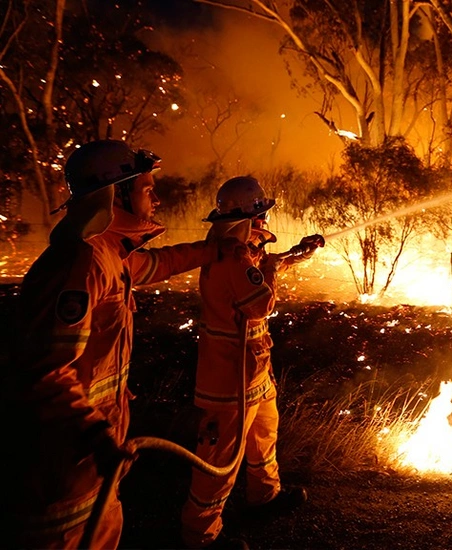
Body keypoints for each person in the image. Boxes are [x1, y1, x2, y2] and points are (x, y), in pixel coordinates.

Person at [5, 139, 234, 549]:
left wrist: (216, 249)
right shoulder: (82, 263)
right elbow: (43, 371)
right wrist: (96, 434)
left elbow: (162, 263)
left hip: (94, 461)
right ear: (116, 193)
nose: (156, 197)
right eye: (147, 188)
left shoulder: (110, 253)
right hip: (64, 464)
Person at [181, 176, 321, 549]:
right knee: (219, 459)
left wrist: (298, 254)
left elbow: (264, 264)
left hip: (253, 371)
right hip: (228, 379)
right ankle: (201, 535)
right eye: (262, 215)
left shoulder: (241, 252)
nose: (266, 222)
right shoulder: (233, 256)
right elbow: (260, 301)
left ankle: (264, 496)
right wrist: (275, 269)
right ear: (248, 219)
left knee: (264, 437)